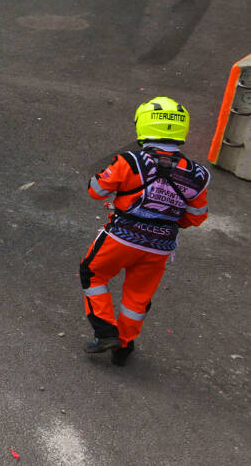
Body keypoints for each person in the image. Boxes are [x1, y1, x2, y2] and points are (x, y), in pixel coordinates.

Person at [80, 97, 210, 366]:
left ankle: (105, 332)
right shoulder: (197, 173)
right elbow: (197, 216)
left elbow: (97, 191)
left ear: (143, 124)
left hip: (121, 237)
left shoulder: (130, 161)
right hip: (160, 247)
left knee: (92, 274)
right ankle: (124, 347)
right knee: (137, 299)